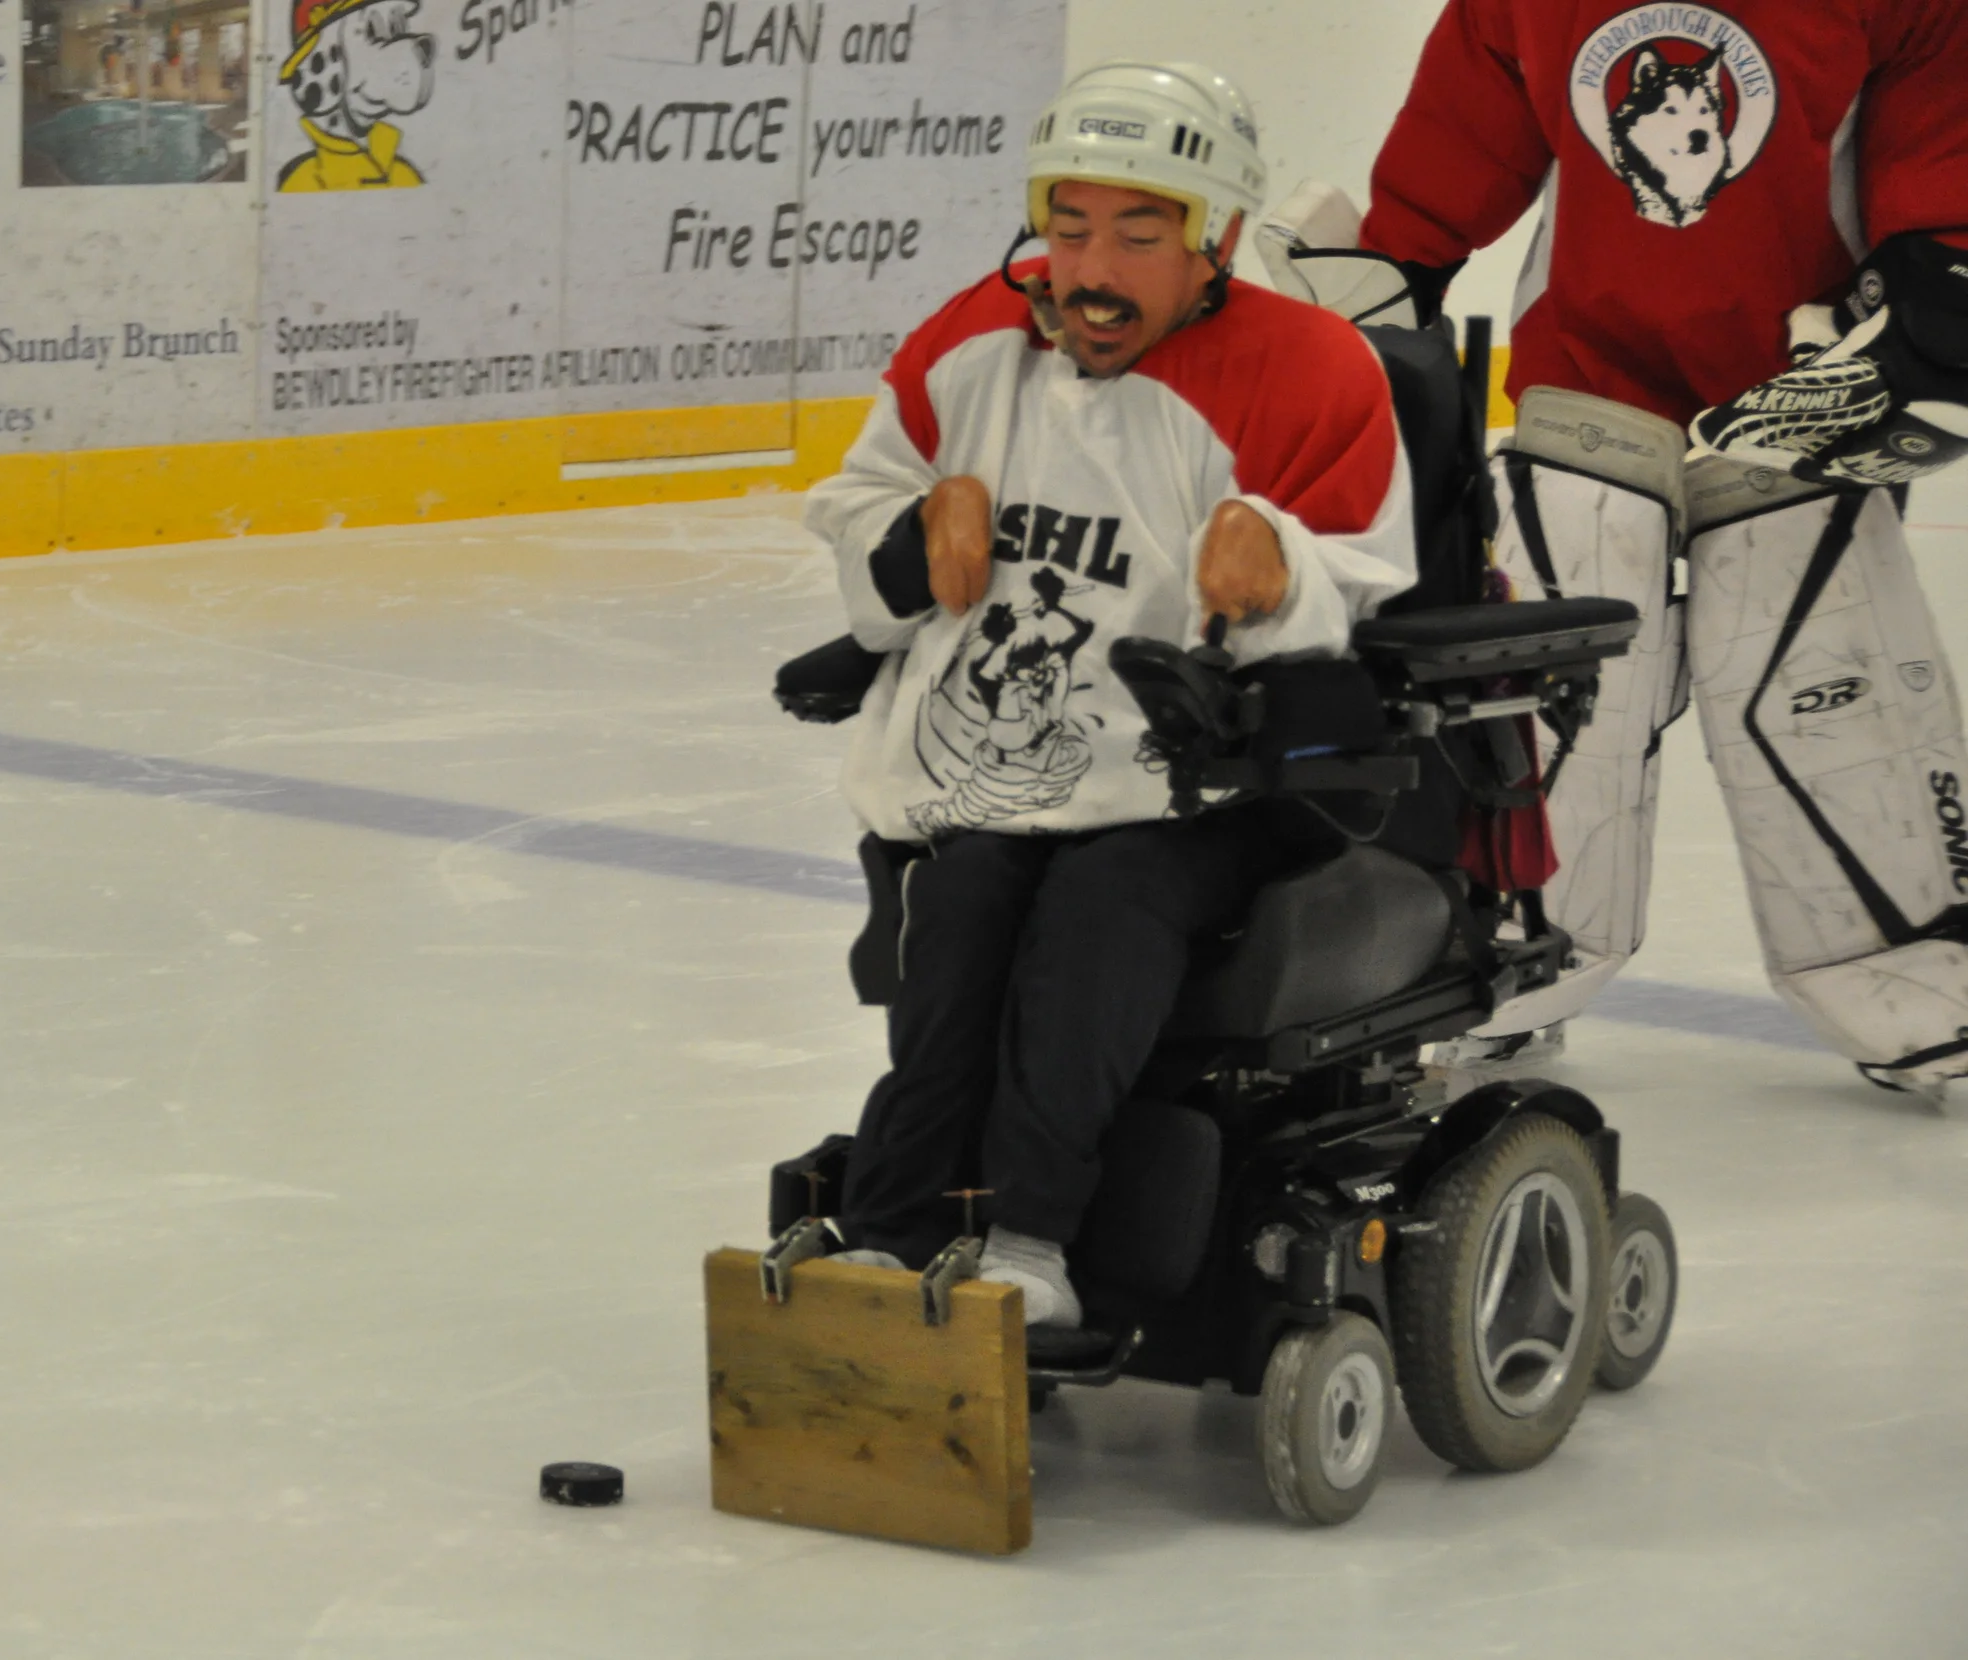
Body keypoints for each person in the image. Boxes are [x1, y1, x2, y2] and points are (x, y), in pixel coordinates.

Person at [1257, 0, 1968, 1097]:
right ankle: (1511, 949)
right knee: (1547, 686)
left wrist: (1937, 281)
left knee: (1822, 682)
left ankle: (1900, 964)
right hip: (1585, 379)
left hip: (1799, 386)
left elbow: (1939, 129)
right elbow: (1462, 135)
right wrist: (1397, 263)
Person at [802, 62, 1419, 1326]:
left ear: (1216, 241)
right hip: (1017, 768)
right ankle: (888, 1228)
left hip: (1213, 784)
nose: (1093, 268)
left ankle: (1033, 1243)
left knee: (1099, 900)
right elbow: (861, 501)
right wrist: (917, 529)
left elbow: (1370, 583)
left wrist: (1280, 565)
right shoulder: (973, 341)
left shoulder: (1314, 369)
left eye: (1140, 235)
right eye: (1068, 226)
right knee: (964, 894)